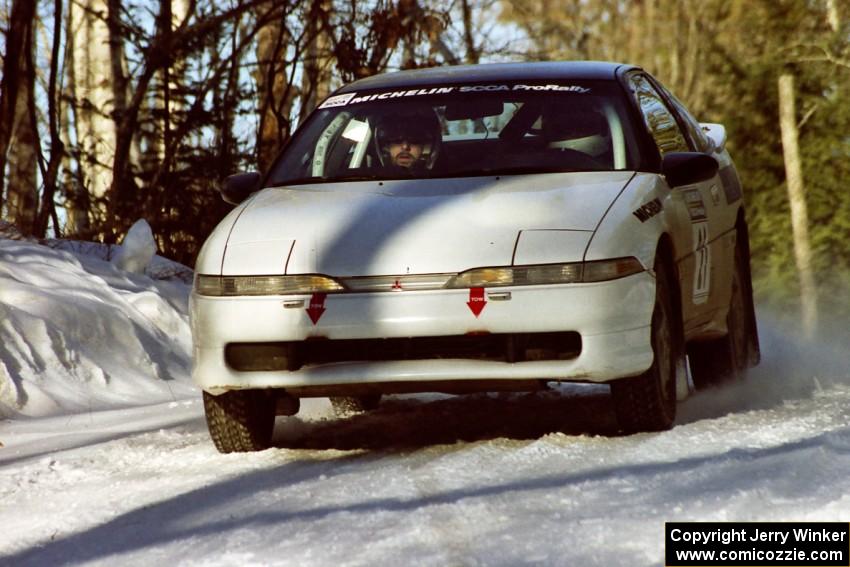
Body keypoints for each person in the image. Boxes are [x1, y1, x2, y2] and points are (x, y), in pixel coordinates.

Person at [373, 108, 442, 174]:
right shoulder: (368, 177)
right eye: (397, 140)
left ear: (427, 146)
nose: (405, 147)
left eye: (414, 140)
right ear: (387, 146)